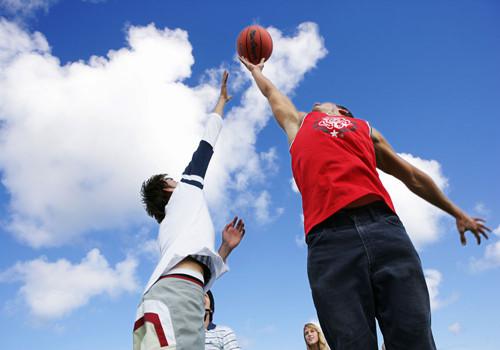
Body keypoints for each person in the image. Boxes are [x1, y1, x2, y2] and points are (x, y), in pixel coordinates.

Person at [239, 56, 490, 350]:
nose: (317, 102)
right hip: (329, 242)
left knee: (414, 336)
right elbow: (272, 94)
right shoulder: (300, 122)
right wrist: (256, 71)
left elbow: (411, 175)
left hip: (384, 229)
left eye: (323, 101)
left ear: (341, 111)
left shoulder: (364, 129)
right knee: (351, 342)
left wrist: (457, 212)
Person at [133, 71, 246, 350]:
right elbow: (206, 144)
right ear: (168, 189)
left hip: (170, 295)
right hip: (177, 296)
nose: (178, 179)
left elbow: (199, 274)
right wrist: (221, 102)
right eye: (172, 179)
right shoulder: (184, 192)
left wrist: (224, 249)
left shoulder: (172, 231)